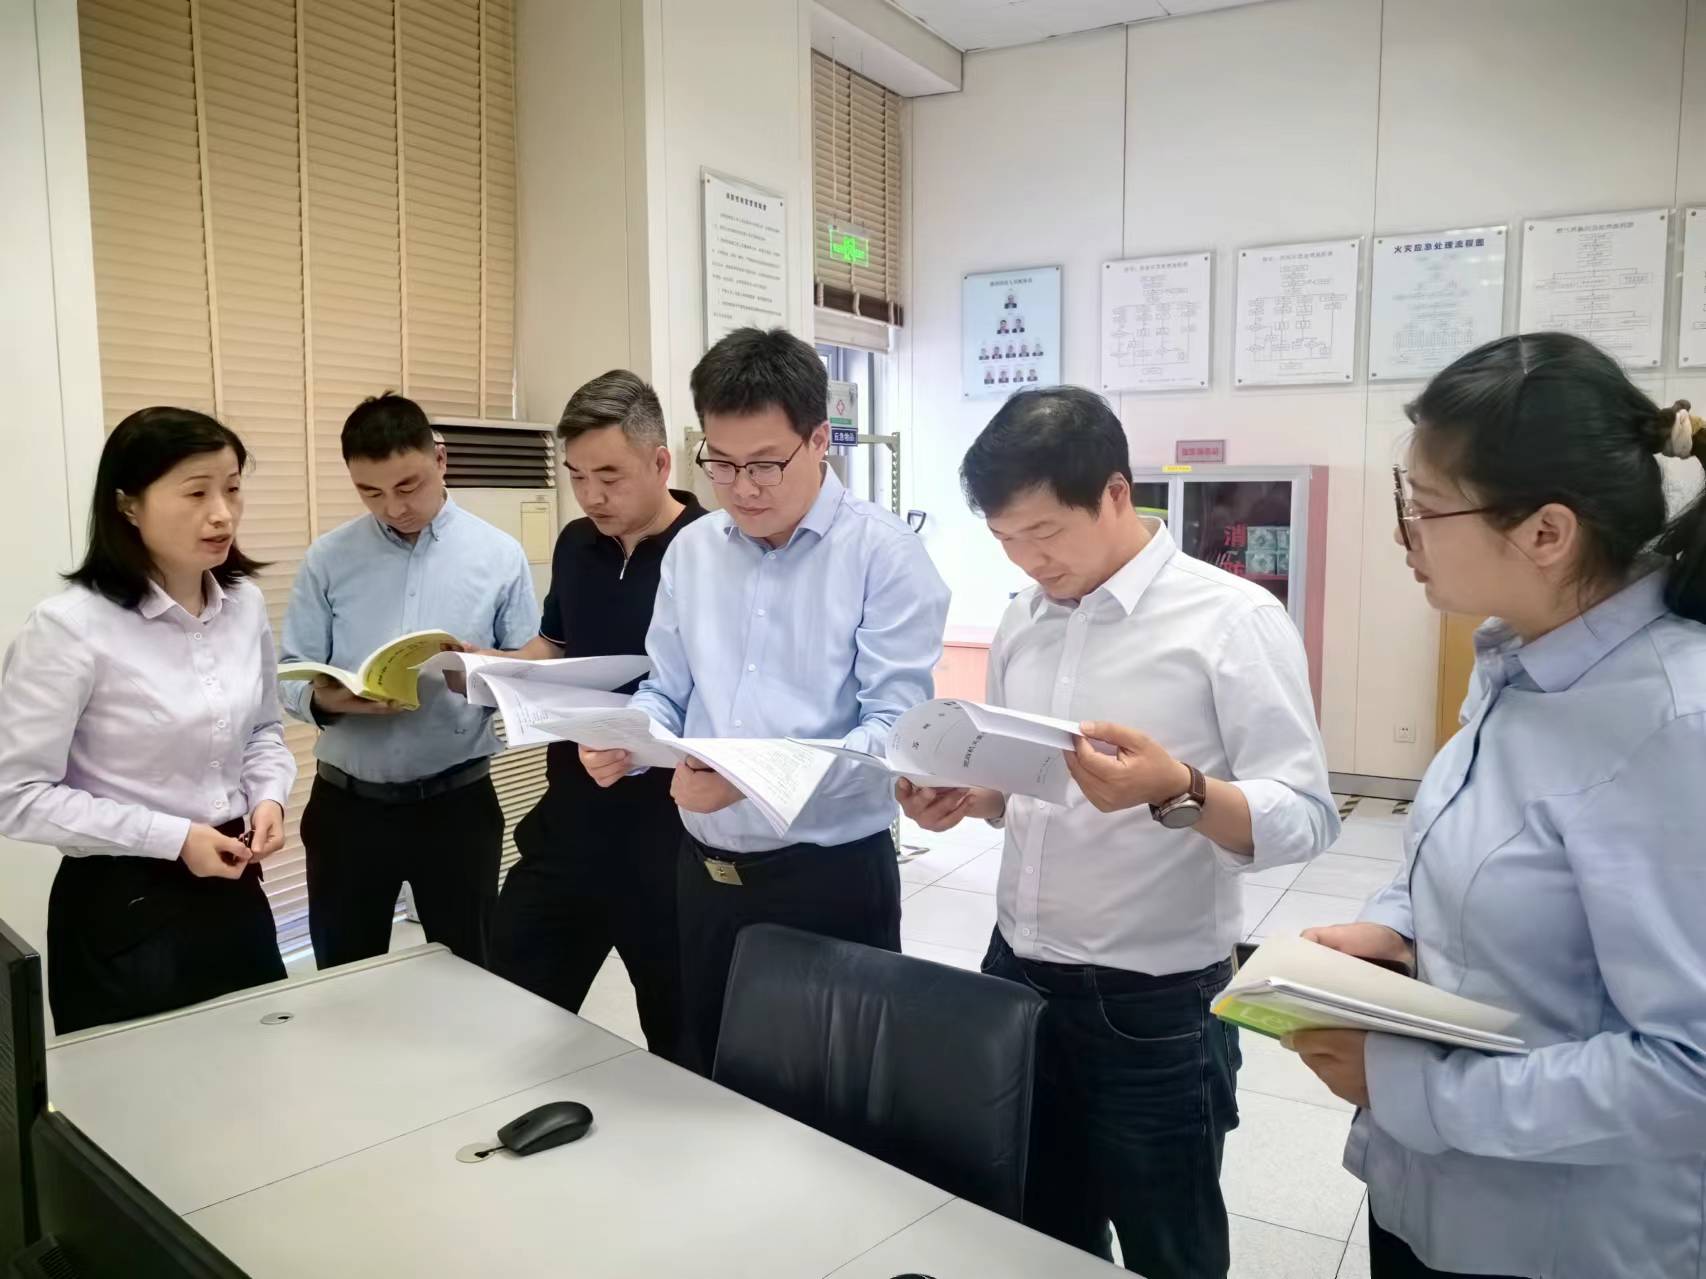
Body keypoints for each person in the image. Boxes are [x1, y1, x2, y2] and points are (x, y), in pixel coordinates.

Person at [1290, 333, 1706, 1279]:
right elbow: (1476, 855)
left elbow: (1690, 1069)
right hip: (1435, 1198)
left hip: (1559, 1244)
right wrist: (1397, 928)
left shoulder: (1674, 723)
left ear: (1547, 533)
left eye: (1424, 509)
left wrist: (1419, 1092)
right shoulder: (1519, 657)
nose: (1405, 535)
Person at [898, 387, 1337, 1279]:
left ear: (1114, 493)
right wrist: (972, 796)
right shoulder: (1025, 616)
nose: (1029, 560)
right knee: (1036, 1234)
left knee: (1171, 1247)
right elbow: (1027, 786)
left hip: (1153, 1005)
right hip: (1016, 971)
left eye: (1044, 532)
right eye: (1005, 539)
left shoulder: (1231, 620)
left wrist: (1179, 788)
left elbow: (1306, 814)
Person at [579, 327, 950, 1074]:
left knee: (834, 1093)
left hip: (829, 876)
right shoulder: (694, 551)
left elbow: (894, 733)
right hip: (705, 873)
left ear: (819, 440)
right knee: (716, 1072)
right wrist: (630, 737)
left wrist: (751, 778)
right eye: (720, 463)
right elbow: (668, 690)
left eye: (764, 464)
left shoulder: (884, 556)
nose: (742, 487)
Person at [0, 407, 296, 1034]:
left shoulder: (243, 606)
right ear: (128, 505)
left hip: (234, 882)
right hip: (123, 906)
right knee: (141, 1088)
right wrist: (174, 837)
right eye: (196, 493)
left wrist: (268, 796)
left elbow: (263, 731)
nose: (223, 513)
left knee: (261, 1065)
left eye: (232, 488)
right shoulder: (68, 629)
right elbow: (16, 795)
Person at [486, 371, 705, 1059]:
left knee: (682, 1042)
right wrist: (490, 667)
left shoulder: (711, 550)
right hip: (571, 819)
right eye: (577, 476)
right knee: (508, 1009)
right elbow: (553, 644)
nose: (591, 496)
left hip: (670, 838)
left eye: (609, 476)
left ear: (661, 463)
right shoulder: (577, 543)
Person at [280, 393, 537, 972]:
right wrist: (327, 698)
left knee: (468, 970)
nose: (393, 507)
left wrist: (483, 671)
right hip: (347, 808)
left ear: (440, 460)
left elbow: (528, 672)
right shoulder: (328, 559)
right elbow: (291, 672)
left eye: (408, 485)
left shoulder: (499, 555)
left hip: (457, 806)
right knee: (346, 978)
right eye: (370, 492)